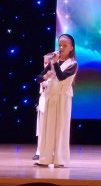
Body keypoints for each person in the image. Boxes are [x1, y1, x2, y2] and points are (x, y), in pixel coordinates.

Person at [35, 33, 78, 167]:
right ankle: (45, 158)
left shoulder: (73, 64)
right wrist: (45, 76)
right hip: (51, 97)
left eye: (65, 45)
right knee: (47, 128)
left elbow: (61, 77)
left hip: (63, 98)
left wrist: (54, 64)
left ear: (71, 48)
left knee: (60, 128)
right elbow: (38, 78)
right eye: (59, 45)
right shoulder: (53, 62)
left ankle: (60, 159)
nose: (61, 48)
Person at [33, 54, 54, 161]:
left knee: (52, 129)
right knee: (41, 129)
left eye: (48, 63)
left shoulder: (56, 75)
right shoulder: (42, 76)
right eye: (45, 63)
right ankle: (39, 151)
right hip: (43, 103)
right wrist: (38, 104)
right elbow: (41, 92)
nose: (46, 65)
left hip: (53, 103)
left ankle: (52, 152)